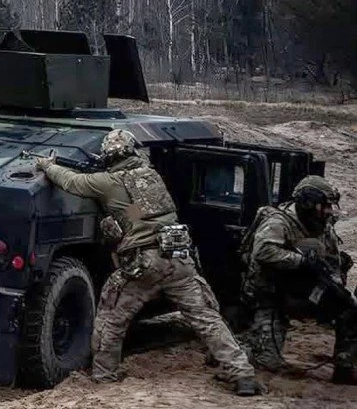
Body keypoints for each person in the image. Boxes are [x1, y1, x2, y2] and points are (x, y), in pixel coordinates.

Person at [34, 129, 263, 396]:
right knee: (207, 319)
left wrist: (48, 166)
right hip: (179, 259)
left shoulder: (108, 181)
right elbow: (140, 214)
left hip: (145, 263)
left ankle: (105, 375)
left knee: (111, 318)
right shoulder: (150, 176)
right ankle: (242, 374)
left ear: (109, 156)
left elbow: (73, 182)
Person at [237, 175, 357, 384]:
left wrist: (335, 286)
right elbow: (263, 252)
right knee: (267, 361)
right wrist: (300, 261)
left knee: (349, 308)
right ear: (309, 203)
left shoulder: (322, 225)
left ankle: (344, 366)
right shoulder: (278, 222)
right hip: (271, 295)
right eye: (324, 205)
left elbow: (332, 259)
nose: (328, 211)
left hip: (303, 290)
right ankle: (236, 347)